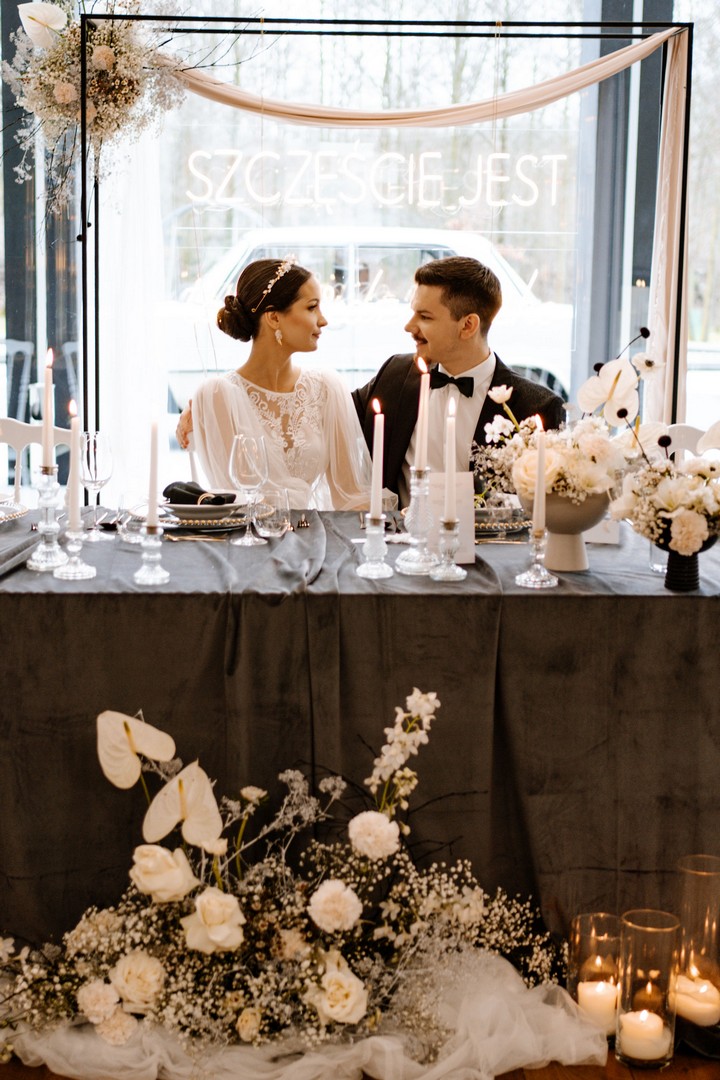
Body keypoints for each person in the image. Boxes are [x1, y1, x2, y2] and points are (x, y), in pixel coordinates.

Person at [352, 256, 566, 506]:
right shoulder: (395, 375)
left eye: (425, 317)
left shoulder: (537, 408)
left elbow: (550, 507)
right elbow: (332, 417)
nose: (409, 326)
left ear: (468, 325)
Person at [176, 257, 374, 511]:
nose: (323, 320)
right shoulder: (218, 395)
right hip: (248, 533)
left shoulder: (325, 387)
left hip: (311, 531)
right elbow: (235, 501)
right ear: (273, 318)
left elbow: (349, 495)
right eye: (312, 307)